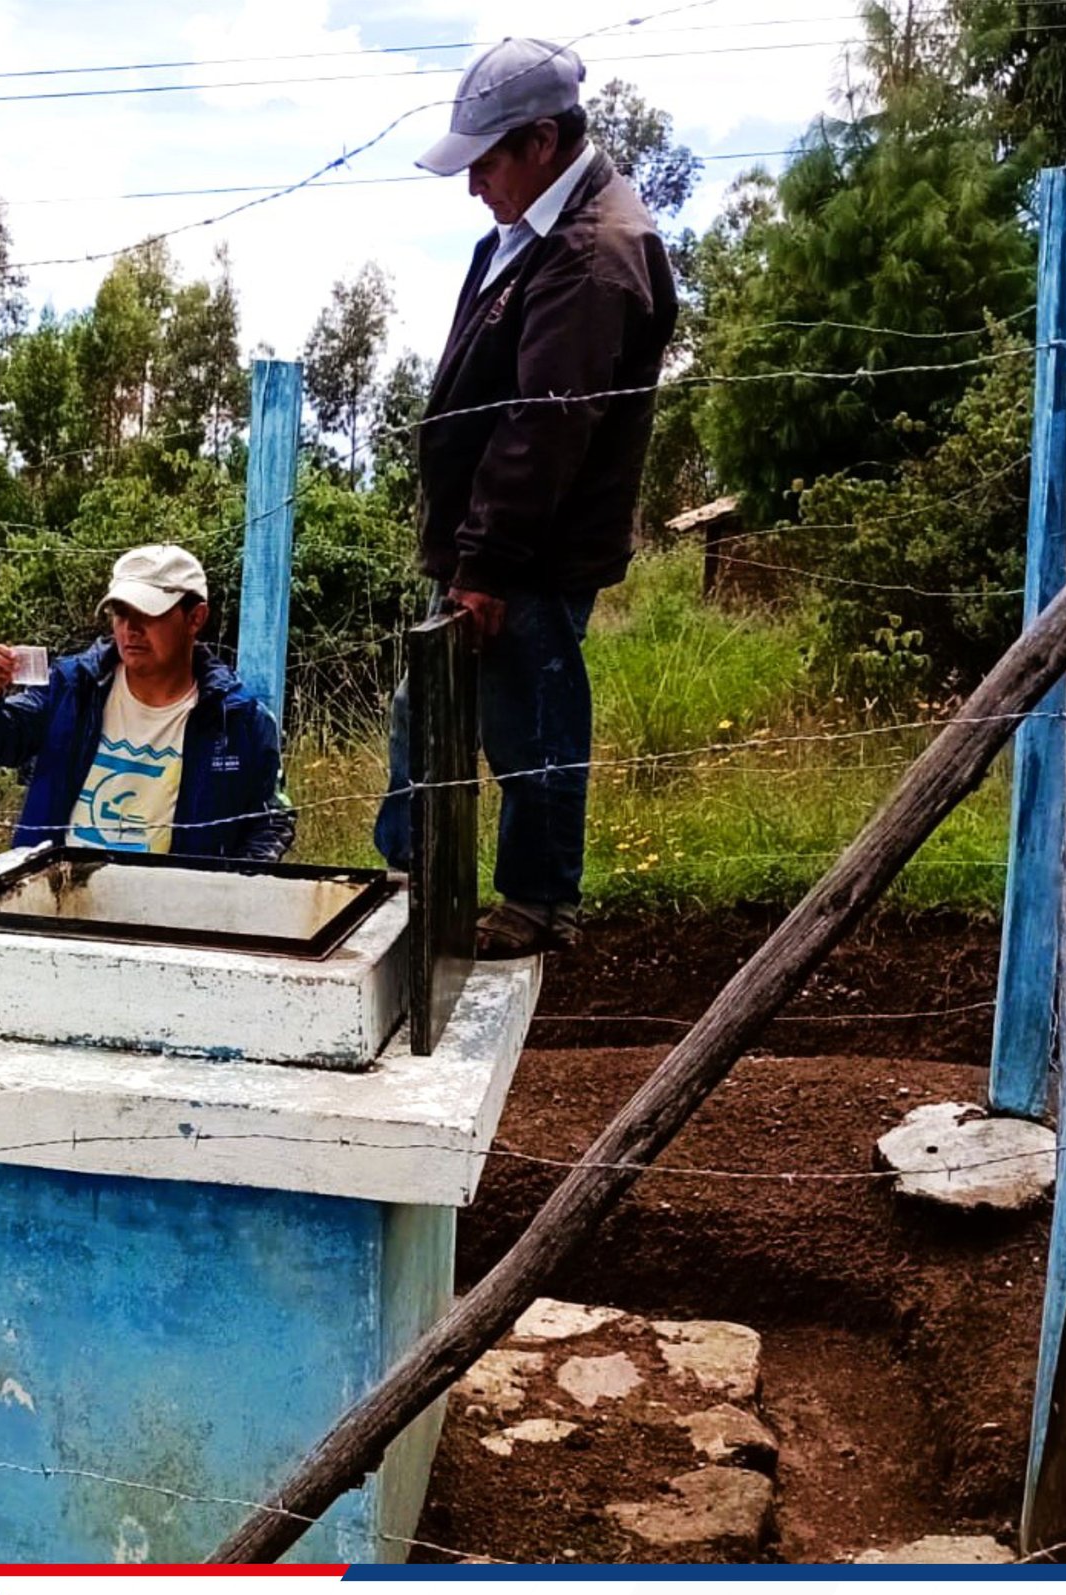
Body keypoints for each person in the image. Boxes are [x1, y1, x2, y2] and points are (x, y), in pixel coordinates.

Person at [374, 37, 678, 957]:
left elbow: (544, 427)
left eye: (488, 161)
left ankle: (539, 906)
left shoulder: (593, 255)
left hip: (525, 556)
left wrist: (487, 564)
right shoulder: (530, 236)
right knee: (425, 713)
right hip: (489, 546)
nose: (475, 185)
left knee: (528, 724)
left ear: (543, 140)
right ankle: (414, 882)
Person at [0, 543, 296, 861]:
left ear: (195, 618)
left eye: (150, 613)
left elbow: (270, 821)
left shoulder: (238, 720)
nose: (130, 628)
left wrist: (228, 899)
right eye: (120, 612)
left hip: (169, 919)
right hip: (57, 903)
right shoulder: (71, 689)